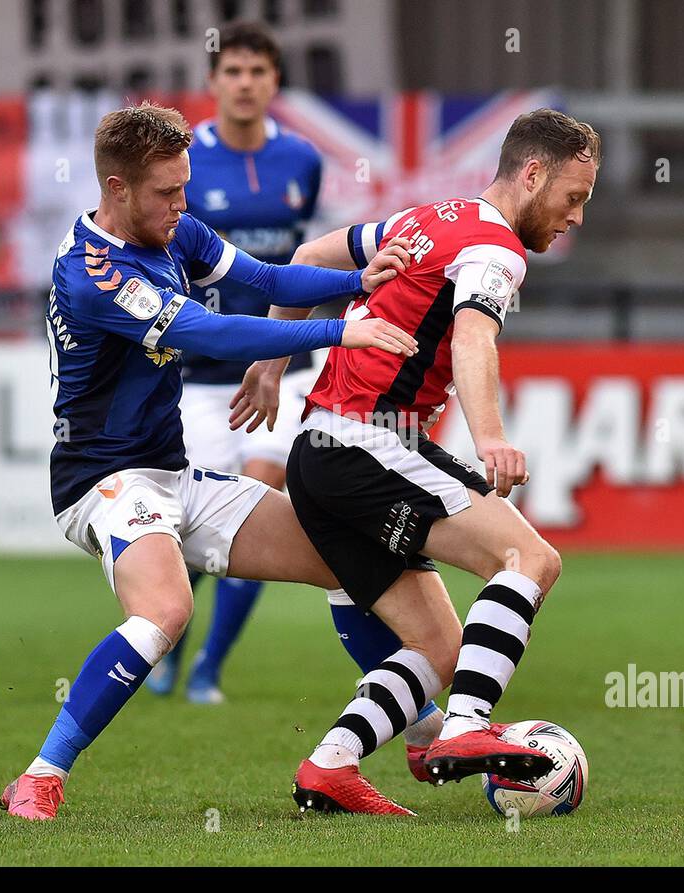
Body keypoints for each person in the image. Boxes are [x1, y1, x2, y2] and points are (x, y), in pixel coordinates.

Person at [0, 102, 418, 820]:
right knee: (167, 609)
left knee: (347, 554)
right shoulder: (94, 276)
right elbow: (212, 332)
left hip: (174, 474)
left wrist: (359, 281)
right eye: (166, 192)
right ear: (116, 187)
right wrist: (344, 332)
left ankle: (421, 735)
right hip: (105, 481)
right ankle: (40, 777)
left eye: (184, 187)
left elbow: (266, 281)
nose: (181, 204)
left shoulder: (174, 230)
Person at [229, 109, 601, 814]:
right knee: (531, 561)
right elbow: (473, 343)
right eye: (573, 197)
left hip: (319, 454)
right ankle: (463, 727)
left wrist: (273, 367)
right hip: (367, 438)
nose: (575, 216)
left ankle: (330, 765)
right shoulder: (497, 249)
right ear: (532, 174)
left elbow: (308, 259)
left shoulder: (427, 217)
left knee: (439, 644)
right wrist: (490, 436)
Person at [148, 22, 328, 705]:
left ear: (274, 82)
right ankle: (169, 648)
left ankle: (208, 669)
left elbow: (302, 260)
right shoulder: (187, 159)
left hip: (281, 366)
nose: (246, 83)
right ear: (215, 82)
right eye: (234, 72)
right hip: (200, 376)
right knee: (192, 522)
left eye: (259, 71)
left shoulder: (304, 161)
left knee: (257, 501)